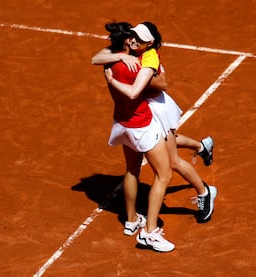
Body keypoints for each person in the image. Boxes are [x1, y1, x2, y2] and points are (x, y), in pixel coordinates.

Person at [97, 22, 217, 228]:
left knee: (173, 162)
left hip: (156, 109)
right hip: (144, 108)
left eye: (140, 39)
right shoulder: (129, 51)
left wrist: (123, 76)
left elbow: (162, 84)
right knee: (164, 142)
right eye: (133, 35)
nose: (134, 40)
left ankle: (205, 192)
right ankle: (200, 147)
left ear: (150, 43)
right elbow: (96, 58)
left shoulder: (149, 57)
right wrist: (122, 56)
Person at [97, 21, 174, 252]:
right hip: (141, 126)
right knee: (164, 174)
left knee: (132, 169)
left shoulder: (110, 59)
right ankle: (149, 233)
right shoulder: (135, 66)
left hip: (122, 124)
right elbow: (148, 87)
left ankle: (131, 220)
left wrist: (112, 75)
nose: (133, 41)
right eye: (131, 37)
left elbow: (95, 58)